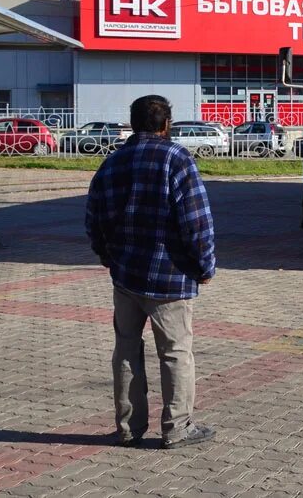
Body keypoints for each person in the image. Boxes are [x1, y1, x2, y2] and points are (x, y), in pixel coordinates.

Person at [86, 95, 217, 450]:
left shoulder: (112, 163)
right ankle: (177, 429)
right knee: (175, 353)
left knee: (126, 350)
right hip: (170, 279)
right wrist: (205, 266)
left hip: (126, 277)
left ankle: (129, 428)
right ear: (166, 125)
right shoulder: (178, 160)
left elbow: (93, 217)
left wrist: (106, 255)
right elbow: (196, 222)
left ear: (133, 123)